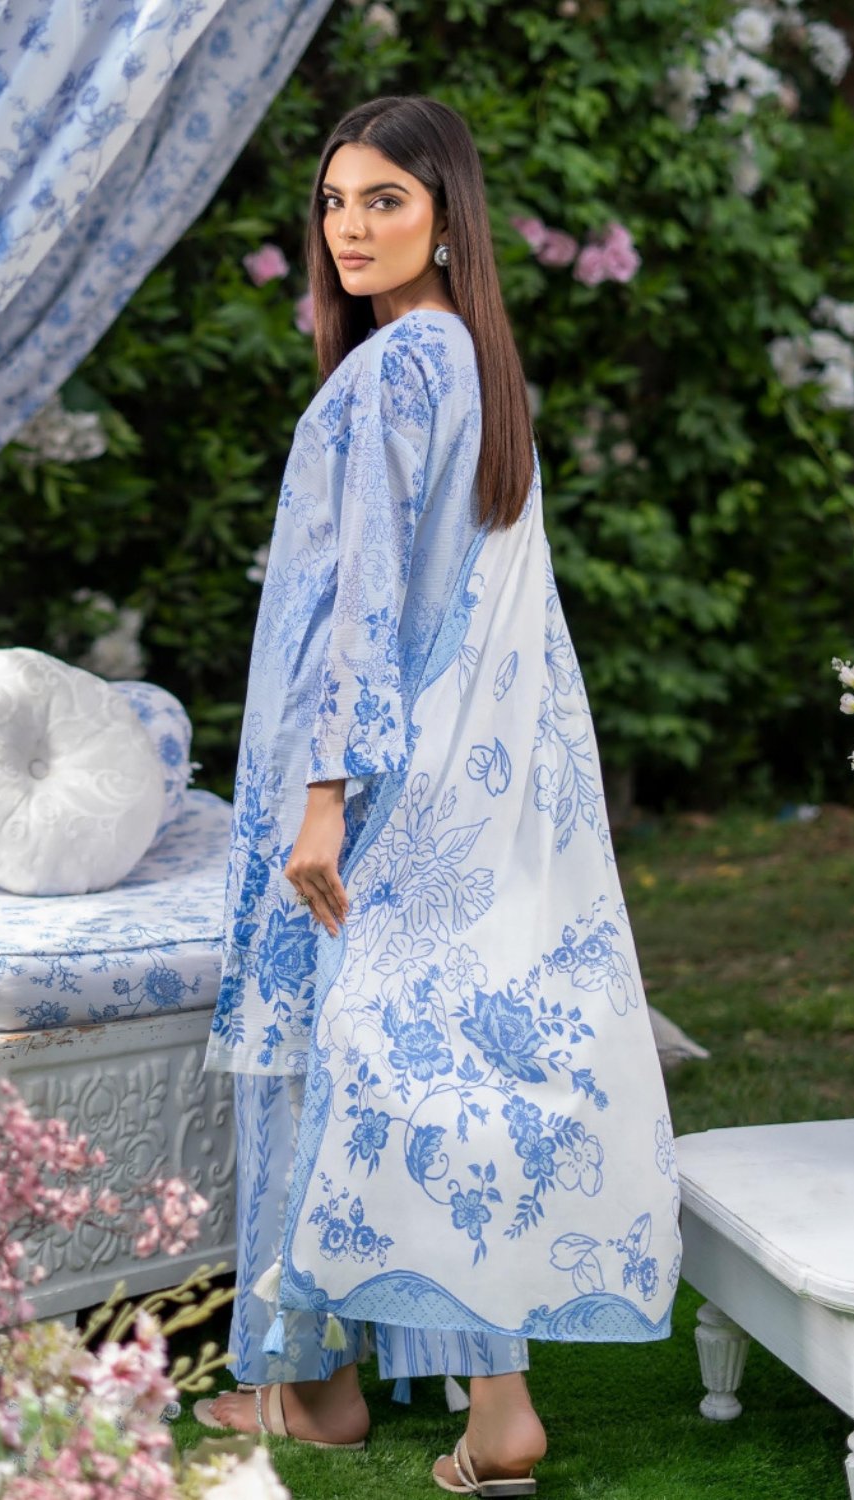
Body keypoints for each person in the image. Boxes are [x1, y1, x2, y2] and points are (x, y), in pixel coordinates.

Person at [199, 93, 682, 1496]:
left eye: (385, 200)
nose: (350, 228)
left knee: (344, 1059)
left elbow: (360, 604)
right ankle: (461, 1401)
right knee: (420, 1059)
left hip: (349, 775)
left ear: (447, 216)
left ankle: (318, 1391)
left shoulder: (397, 367)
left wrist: (324, 797)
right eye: (334, 202)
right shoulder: (470, 359)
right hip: (443, 766)